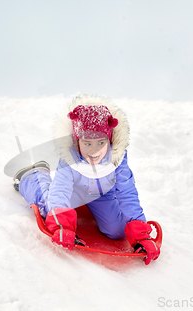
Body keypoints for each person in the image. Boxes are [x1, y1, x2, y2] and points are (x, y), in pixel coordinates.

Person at [14, 94, 160, 265]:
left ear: (109, 140)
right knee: (48, 210)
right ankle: (34, 175)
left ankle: (92, 212)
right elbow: (61, 190)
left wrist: (141, 236)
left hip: (102, 195)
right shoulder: (70, 158)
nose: (94, 150)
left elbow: (127, 195)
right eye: (87, 143)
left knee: (118, 231)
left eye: (100, 143)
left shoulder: (117, 160)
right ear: (77, 142)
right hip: (73, 191)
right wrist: (62, 226)